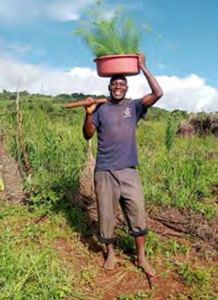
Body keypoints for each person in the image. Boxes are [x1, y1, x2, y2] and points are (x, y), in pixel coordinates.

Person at [83, 53, 163, 276]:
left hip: (129, 171)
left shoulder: (134, 107)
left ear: (126, 88)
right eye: (114, 84)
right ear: (109, 87)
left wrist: (144, 67)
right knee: (106, 216)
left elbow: (158, 93)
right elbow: (88, 135)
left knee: (137, 214)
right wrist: (88, 114)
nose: (118, 87)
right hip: (105, 171)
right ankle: (110, 252)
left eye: (122, 84)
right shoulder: (100, 109)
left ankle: (141, 258)